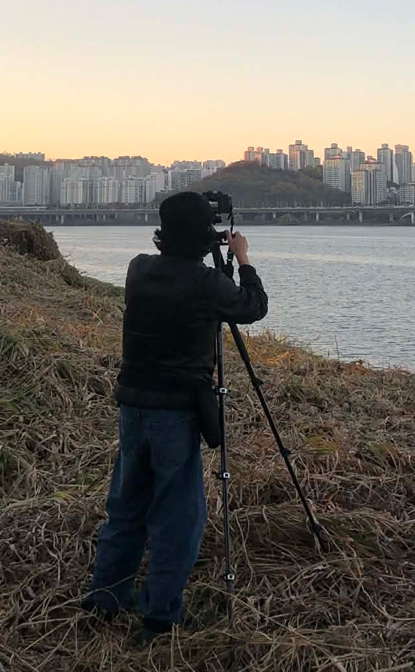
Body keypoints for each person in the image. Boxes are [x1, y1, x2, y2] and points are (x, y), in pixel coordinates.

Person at [81, 191, 268, 644]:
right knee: (177, 516)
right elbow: (252, 307)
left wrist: (211, 256)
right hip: (177, 411)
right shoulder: (206, 283)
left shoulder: (137, 268)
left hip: (133, 406)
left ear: (165, 232)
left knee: (126, 506)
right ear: (205, 235)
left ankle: (105, 599)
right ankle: (159, 617)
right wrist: (241, 259)